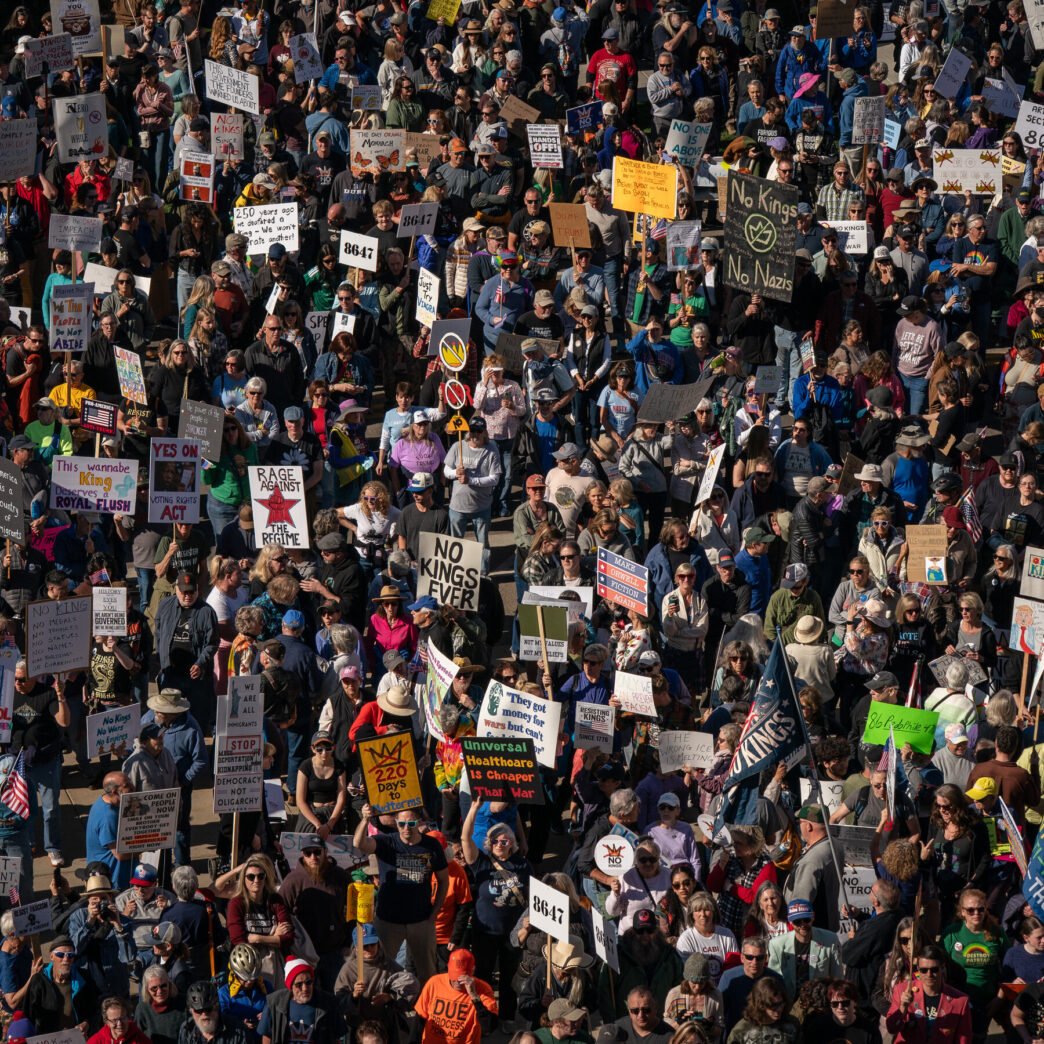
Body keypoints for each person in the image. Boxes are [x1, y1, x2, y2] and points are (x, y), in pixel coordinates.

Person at [353, 804, 448, 985]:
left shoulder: (431, 845)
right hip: (388, 921)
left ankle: (425, 1011)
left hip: (421, 920)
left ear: (419, 822)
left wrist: (435, 911)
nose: (406, 828)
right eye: (401, 823)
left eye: (411, 823)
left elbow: (444, 880)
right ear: (395, 823)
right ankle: (384, 1008)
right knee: (381, 969)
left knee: (428, 972)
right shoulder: (387, 841)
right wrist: (365, 819)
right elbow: (359, 844)